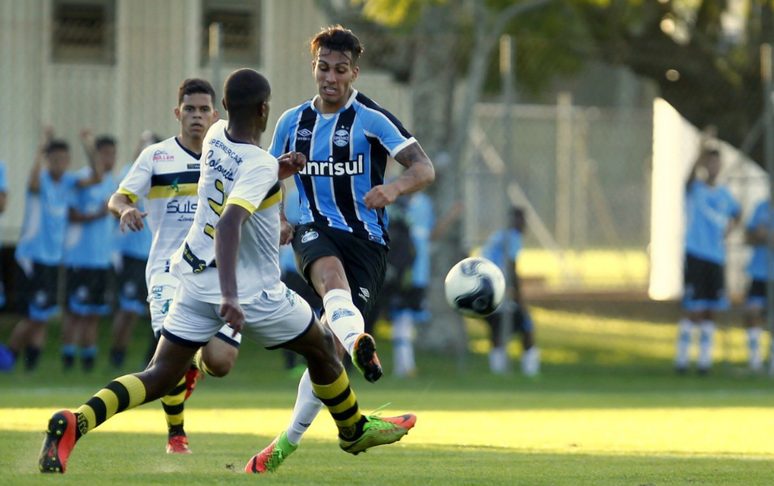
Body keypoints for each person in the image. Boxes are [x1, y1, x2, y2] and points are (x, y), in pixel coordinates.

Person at [38, 68, 416, 475]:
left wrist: (278, 169)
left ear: (223, 109)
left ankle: (76, 422)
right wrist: (231, 297)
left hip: (193, 278)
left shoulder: (216, 136)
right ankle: (353, 428)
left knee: (161, 374)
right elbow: (232, 222)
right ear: (264, 110)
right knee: (323, 345)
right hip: (251, 290)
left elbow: (243, 178)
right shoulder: (257, 163)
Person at [252, 25, 434, 473]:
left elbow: (423, 168)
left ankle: (285, 444)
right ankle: (360, 343)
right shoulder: (293, 122)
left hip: (368, 243)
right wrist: (276, 216)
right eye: (322, 68)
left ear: (354, 72)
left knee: (324, 355)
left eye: (339, 70)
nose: (329, 78)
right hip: (314, 231)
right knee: (330, 281)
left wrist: (393, 188)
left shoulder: (372, 118)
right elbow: (267, 175)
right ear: (313, 68)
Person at [107, 78, 237, 454]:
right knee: (169, 356)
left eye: (203, 110)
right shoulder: (156, 156)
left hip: (217, 272)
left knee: (222, 361)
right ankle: (176, 434)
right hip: (168, 269)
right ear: (177, 113)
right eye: (190, 109)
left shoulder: (229, 158)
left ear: (216, 115)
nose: (196, 116)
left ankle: (197, 360)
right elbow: (119, 195)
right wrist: (127, 207)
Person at [2, 128, 103, 371]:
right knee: (34, 315)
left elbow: (98, 177)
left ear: (68, 162)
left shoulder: (68, 182)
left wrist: (88, 145)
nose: (59, 164)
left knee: (44, 314)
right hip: (32, 257)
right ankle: (7, 360)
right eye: (54, 159)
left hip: (53, 258)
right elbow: (33, 181)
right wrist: (41, 146)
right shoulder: (41, 181)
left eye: (63, 159)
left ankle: (30, 367)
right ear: (48, 161)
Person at [675, 149, 741, 374]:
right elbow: (688, 179)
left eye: (717, 164)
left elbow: (737, 213)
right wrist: (700, 148)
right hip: (696, 255)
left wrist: (728, 232)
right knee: (694, 308)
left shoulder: (724, 194)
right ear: (705, 164)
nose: (714, 168)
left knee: (712, 309)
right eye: (710, 163)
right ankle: (682, 360)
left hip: (716, 257)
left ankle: (704, 362)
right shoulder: (696, 189)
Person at [60, 134, 117, 373]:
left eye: (113, 154)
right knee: (75, 311)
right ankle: (67, 358)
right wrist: (97, 215)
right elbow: (70, 213)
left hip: (101, 258)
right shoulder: (81, 179)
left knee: (93, 312)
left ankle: (88, 360)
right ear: (96, 154)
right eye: (105, 154)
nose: (110, 159)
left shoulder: (112, 181)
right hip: (79, 258)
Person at [108, 132, 158, 369]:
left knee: (156, 310)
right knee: (127, 310)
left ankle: (153, 360)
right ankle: (116, 356)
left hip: (154, 253)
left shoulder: (165, 174)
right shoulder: (132, 171)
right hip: (130, 254)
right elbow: (120, 199)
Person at [481, 207, 540, 376]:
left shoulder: (498, 236)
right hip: (496, 288)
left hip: (484, 287)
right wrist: (519, 297)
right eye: (520, 220)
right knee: (526, 326)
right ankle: (530, 370)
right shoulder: (512, 237)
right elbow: (511, 268)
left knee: (497, 328)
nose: (523, 225)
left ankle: (498, 370)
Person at [279, 182, 322, 377]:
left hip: (313, 264)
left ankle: (313, 359)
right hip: (295, 264)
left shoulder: (319, 192)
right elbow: (294, 226)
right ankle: (291, 362)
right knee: (291, 312)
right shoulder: (296, 194)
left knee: (316, 312)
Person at [390, 191, 435, 377]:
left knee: (404, 318)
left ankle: (404, 365)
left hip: (416, 271)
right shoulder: (394, 201)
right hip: (403, 271)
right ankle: (404, 366)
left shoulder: (424, 201)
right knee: (402, 317)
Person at [742, 198, 771, 373]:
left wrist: (765, 236)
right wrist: (761, 237)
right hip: (759, 272)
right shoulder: (761, 207)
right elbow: (748, 236)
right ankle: (755, 361)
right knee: (752, 313)